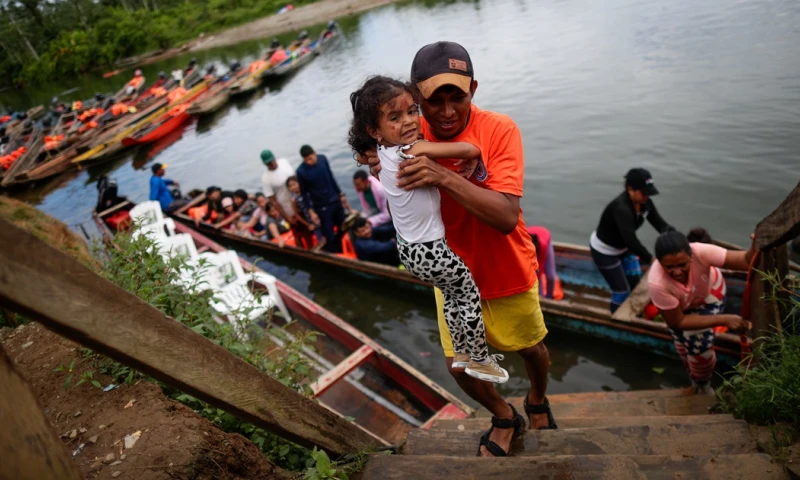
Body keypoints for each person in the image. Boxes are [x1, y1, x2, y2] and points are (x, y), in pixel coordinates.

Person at [359, 42, 555, 456]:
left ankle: (537, 398)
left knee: (531, 347)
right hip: (448, 269)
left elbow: (504, 216)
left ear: (473, 90)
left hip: (505, 264)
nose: (446, 112)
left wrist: (443, 177)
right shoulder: (406, 128)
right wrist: (369, 158)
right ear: (415, 98)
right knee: (458, 365)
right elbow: (370, 136)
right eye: (433, 101)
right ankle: (504, 415)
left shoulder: (499, 129)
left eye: (457, 97)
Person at [349, 75, 509, 384]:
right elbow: (470, 149)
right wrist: (471, 155)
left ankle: (461, 352)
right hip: (430, 248)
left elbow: (361, 152)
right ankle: (480, 358)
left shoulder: (381, 153)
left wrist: (366, 153)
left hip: (410, 251)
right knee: (468, 292)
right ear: (375, 131)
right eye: (395, 117)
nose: (409, 121)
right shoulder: (411, 150)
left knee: (451, 295)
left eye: (412, 111)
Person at [648, 231, 753, 395]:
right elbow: (678, 322)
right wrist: (724, 319)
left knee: (698, 347)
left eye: (682, 265)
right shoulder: (657, 283)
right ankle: (695, 379)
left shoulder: (701, 251)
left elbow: (747, 261)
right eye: (669, 267)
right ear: (660, 263)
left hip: (709, 294)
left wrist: (757, 245)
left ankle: (702, 384)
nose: (677, 272)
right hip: (680, 310)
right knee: (683, 348)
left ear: (691, 256)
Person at [589, 168, 673, 312]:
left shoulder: (646, 204)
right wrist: (652, 260)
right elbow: (631, 242)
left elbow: (662, 226)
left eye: (649, 192)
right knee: (622, 291)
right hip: (605, 253)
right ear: (630, 189)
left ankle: (633, 312)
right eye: (643, 192)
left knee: (636, 283)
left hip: (624, 248)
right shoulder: (621, 209)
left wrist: (682, 242)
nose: (647, 196)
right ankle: (616, 321)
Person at [295, 145, 348, 253]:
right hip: (321, 205)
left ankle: (345, 247)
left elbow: (331, 176)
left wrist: (340, 194)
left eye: (310, 158)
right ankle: (335, 253)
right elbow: (304, 194)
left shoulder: (323, 159)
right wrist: (311, 211)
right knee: (329, 233)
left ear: (314, 153)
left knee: (343, 225)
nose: (309, 162)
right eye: (306, 160)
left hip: (334, 199)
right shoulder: (301, 171)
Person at [260, 149, 296, 225]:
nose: (272, 164)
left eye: (272, 160)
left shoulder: (284, 162)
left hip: (299, 200)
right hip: (288, 208)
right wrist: (286, 216)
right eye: (269, 163)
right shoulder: (266, 179)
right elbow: (273, 201)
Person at [527, 226, 562, 300]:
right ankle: (542, 296)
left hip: (544, 236)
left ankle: (549, 297)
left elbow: (539, 271)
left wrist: (544, 297)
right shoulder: (523, 247)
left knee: (550, 275)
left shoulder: (542, 246)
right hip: (529, 238)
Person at [286, 176, 320, 250]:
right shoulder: (294, 200)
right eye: (290, 186)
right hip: (310, 220)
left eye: (294, 184)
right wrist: (308, 225)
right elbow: (297, 215)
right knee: (319, 238)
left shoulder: (308, 191)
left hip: (319, 216)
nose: (293, 187)